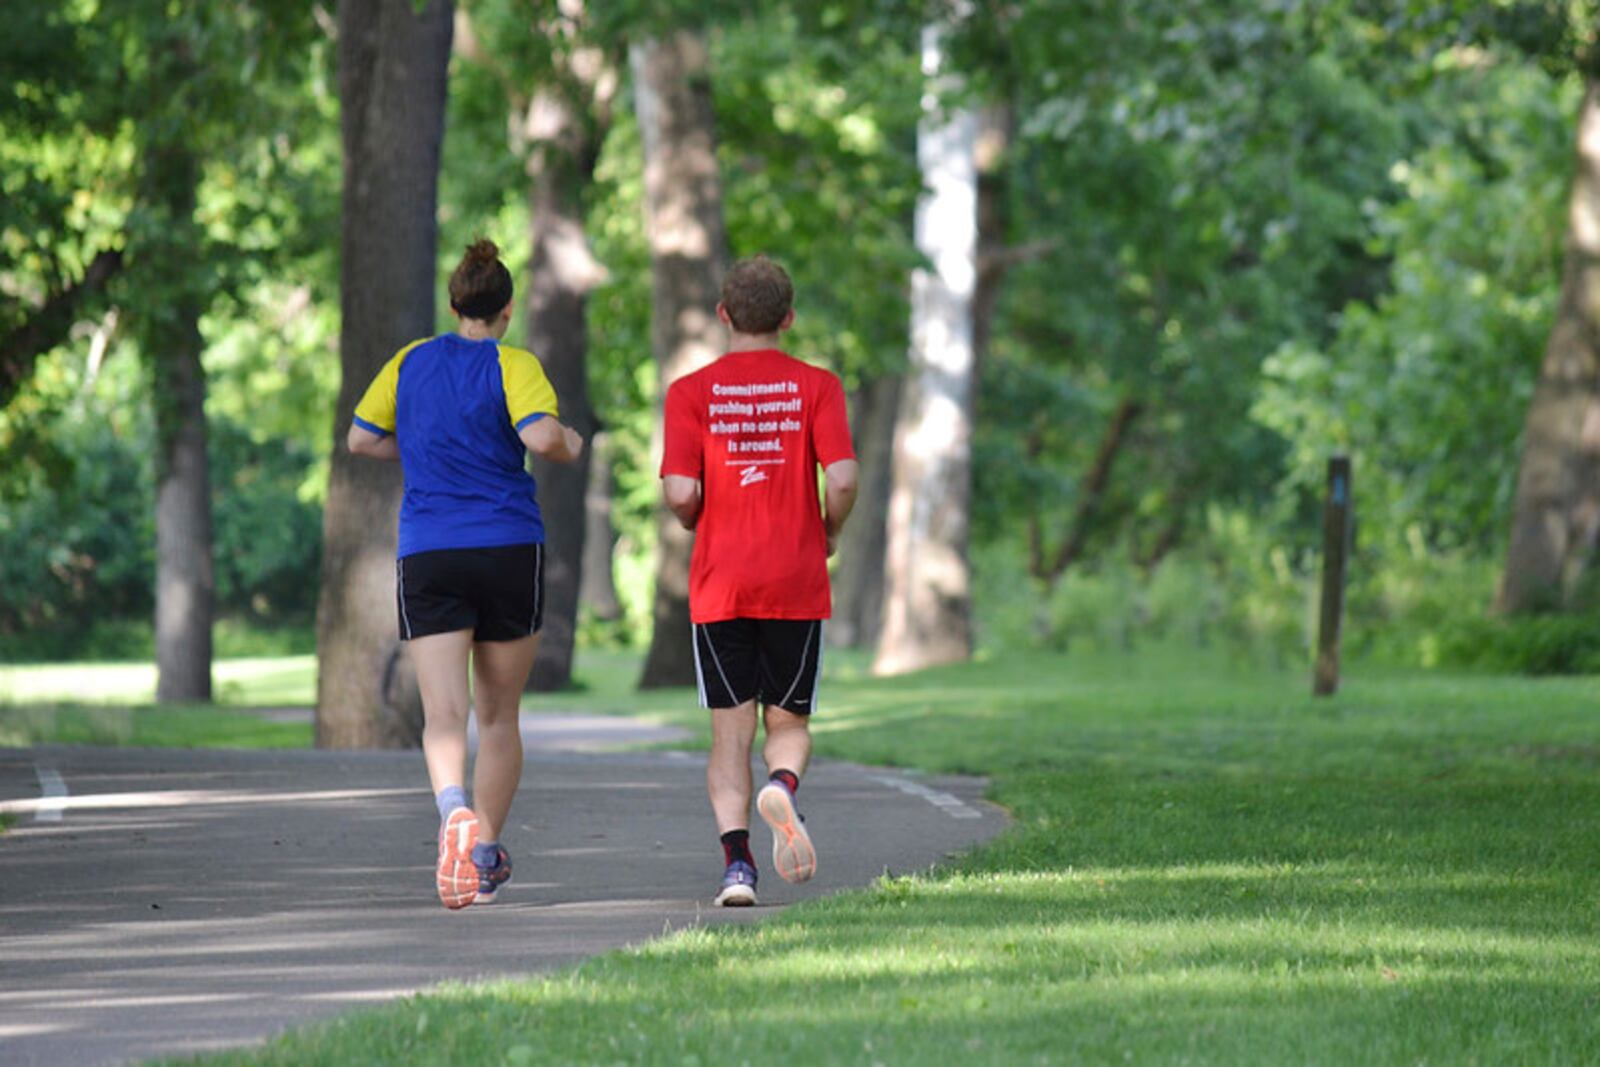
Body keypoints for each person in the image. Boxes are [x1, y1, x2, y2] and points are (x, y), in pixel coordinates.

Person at [347, 238, 584, 909]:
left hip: (430, 551)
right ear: (506, 310)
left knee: (444, 714)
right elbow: (542, 438)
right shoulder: (515, 364)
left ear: (455, 305)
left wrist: (423, 452)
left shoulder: (410, 362)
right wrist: (573, 441)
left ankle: (452, 807)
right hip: (508, 547)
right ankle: (481, 853)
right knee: (499, 715)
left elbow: (360, 439)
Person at [660, 255, 859, 906]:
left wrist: (695, 515)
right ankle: (784, 785)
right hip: (795, 576)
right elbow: (846, 476)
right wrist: (828, 528)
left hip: (721, 582)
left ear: (724, 315)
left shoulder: (690, 393)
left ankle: (737, 867)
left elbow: (681, 489)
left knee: (728, 731)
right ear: (789, 318)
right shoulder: (818, 386)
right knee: (790, 720)